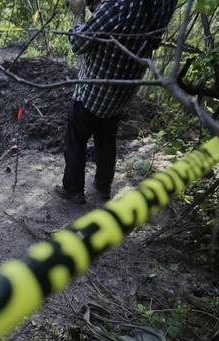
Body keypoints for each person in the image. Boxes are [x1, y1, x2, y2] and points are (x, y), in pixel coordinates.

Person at [55, 0, 176, 203]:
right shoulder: (165, 3)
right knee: (107, 138)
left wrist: (79, 13)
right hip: (124, 89)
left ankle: (73, 190)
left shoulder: (118, 4)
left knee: (75, 139)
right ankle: (103, 187)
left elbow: (78, 43)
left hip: (95, 90)